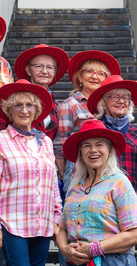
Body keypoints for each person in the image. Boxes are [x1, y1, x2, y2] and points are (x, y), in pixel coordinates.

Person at [0, 79, 62, 266]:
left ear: (37, 110)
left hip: (42, 225)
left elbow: (53, 185)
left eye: (30, 105)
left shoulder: (46, 142)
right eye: (18, 105)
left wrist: (56, 219)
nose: (24, 110)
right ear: (9, 109)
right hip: (12, 225)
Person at [57, 120, 137, 266]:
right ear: (81, 153)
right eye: (86, 145)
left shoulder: (119, 183)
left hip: (112, 261)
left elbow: (134, 236)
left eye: (99, 144)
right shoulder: (74, 187)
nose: (93, 150)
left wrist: (93, 248)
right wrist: (65, 250)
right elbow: (62, 228)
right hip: (75, 262)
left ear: (109, 151)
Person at [53, 50, 121, 198]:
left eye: (101, 73)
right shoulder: (69, 105)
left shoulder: (109, 105)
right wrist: (69, 175)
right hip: (78, 170)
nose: (95, 76)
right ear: (80, 77)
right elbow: (60, 146)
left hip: (107, 169)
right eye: (89, 71)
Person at [87, 75, 137, 190]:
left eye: (126, 97)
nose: (122, 101)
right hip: (101, 197)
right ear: (102, 102)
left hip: (131, 198)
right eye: (115, 97)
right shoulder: (94, 132)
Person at [0, 44, 69, 140]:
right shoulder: (12, 99)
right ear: (28, 70)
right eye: (38, 66)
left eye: (50, 67)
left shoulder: (56, 106)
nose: (44, 71)